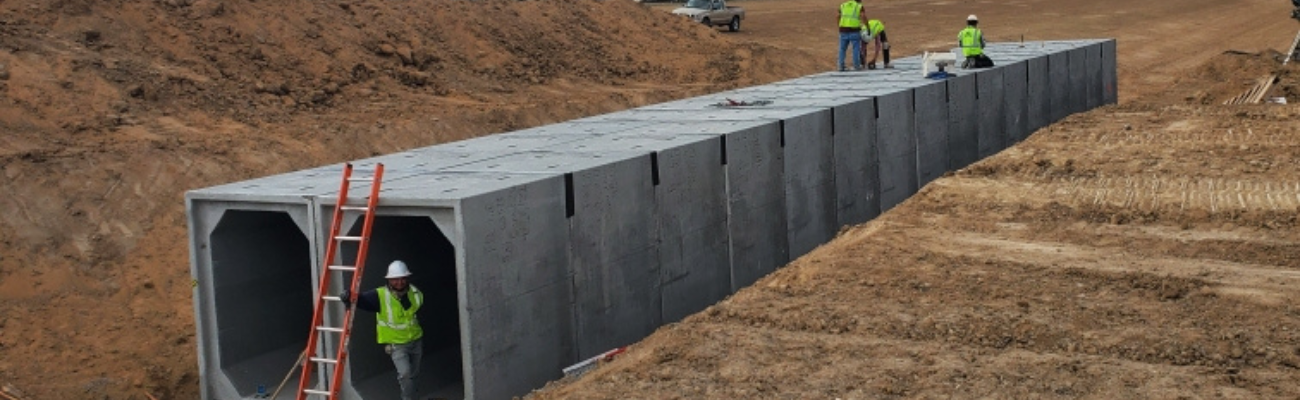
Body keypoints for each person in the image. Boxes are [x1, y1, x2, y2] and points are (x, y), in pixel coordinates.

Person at [341, 260, 425, 400]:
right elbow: (361, 300)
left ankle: (412, 396)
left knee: (413, 375)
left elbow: (414, 306)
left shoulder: (414, 293)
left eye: (402, 278)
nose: (399, 282)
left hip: (416, 340)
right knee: (405, 374)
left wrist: (403, 300)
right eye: (395, 279)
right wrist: (348, 297)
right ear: (389, 280)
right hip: (397, 345)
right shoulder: (380, 295)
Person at [836, 0, 867, 71]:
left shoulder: (843, 5)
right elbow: (863, 16)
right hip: (854, 30)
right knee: (856, 48)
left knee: (842, 49)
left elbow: (838, 16)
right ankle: (856, 65)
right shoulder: (859, 6)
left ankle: (841, 66)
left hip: (843, 30)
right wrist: (867, 26)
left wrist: (839, 26)